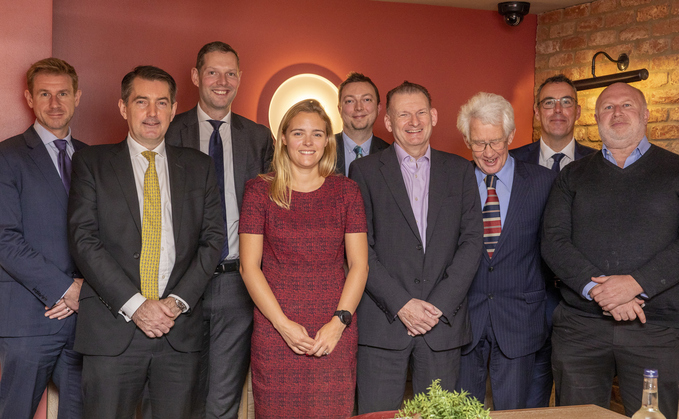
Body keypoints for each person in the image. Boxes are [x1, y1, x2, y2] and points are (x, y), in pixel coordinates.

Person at [68, 65, 224, 418]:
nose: (152, 113)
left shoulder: (199, 167)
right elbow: (84, 240)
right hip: (112, 332)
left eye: (161, 103)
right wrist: (137, 305)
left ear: (173, 108)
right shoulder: (91, 163)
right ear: (124, 108)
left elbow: (213, 240)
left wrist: (176, 303)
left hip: (177, 330)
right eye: (142, 102)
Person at [541, 82, 679, 419]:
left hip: (656, 329)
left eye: (626, 105)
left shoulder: (675, 169)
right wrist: (601, 292)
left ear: (646, 114)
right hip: (581, 329)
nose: (616, 113)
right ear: (596, 118)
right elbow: (553, 241)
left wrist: (634, 284)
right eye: (607, 107)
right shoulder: (571, 175)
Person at [349, 81, 484, 414]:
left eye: (421, 112)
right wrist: (401, 304)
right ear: (389, 123)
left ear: (434, 116)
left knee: (438, 417)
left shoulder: (461, 170)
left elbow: (471, 242)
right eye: (403, 114)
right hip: (384, 324)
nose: (414, 121)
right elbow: (361, 249)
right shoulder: (364, 171)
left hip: (441, 326)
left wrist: (437, 306)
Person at [239, 99, 368, 418]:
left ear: (328, 140)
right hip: (275, 331)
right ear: (283, 137)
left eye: (317, 134)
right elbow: (249, 267)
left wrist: (338, 324)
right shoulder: (259, 191)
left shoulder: (347, 192)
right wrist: (282, 325)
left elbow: (360, 265)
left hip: (333, 330)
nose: (308, 142)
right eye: (298, 133)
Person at [165, 41, 274, 419]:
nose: (222, 81)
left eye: (230, 74)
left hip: (236, 282)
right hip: (175, 282)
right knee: (176, 392)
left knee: (224, 398)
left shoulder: (258, 138)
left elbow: (275, 211)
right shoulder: (167, 129)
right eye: (213, 72)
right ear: (196, 76)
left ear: (240, 79)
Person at [455, 92, 556, 410]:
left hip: (521, 319)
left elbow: (554, 248)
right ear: (467, 140)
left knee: (515, 413)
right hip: (464, 320)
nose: (487, 153)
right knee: (461, 413)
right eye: (478, 143)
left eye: (495, 141)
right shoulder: (452, 184)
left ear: (511, 135)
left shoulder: (544, 182)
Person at [0, 57, 85, 419]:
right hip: (28, 320)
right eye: (45, 94)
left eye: (63, 93)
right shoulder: (7, 156)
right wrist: (65, 289)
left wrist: (85, 289)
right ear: (29, 98)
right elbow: (4, 239)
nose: (55, 103)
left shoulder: (93, 158)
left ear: (77, 97)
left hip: (86, 321)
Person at [510, 74, 596, 408]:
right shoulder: (510, 162)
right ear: (536, 111)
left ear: (577, 111)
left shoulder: (599, 163)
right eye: (549, 102)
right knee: (529, 399)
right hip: (526, 299)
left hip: (583, 302)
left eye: (565, 102)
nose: (557, 110)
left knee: (579, 400)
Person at [335, 72, 389, 176]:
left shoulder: (391, 155)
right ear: (339, 109)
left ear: (378, 108)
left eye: (366, 100)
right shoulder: (322, 150)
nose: (359, 107)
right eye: (350, 101)